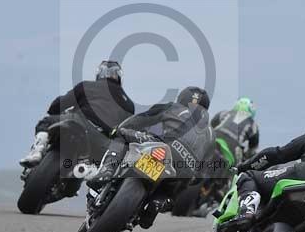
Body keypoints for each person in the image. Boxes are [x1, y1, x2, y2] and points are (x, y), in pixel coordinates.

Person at [87, 86, 214, 224]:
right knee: (176, 187)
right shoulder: (211, 133)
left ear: (182, 98)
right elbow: (203, 172)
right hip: (185, 168)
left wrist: (118, 129)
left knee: (121, 137)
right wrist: (192, 179)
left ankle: (107, 170)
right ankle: (158, 203)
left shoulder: (173, 107)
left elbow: (140, 119)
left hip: (162, 146)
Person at [19, 60, 135, 168]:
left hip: (80, 122)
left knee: (46, 122)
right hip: (104, 143)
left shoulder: (86, 86)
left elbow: (57, 105)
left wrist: (56, 109)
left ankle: (37, 151)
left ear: (99, 74)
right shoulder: (129, 104)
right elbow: (126, 132)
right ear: (119, 77)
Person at [210, 97, 260, 164]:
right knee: (236, 166)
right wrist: (245, 156)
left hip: (215, 136)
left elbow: (210, 126)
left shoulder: (224, 113)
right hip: (233, 145)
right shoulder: (253, 125)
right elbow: (252, 151)